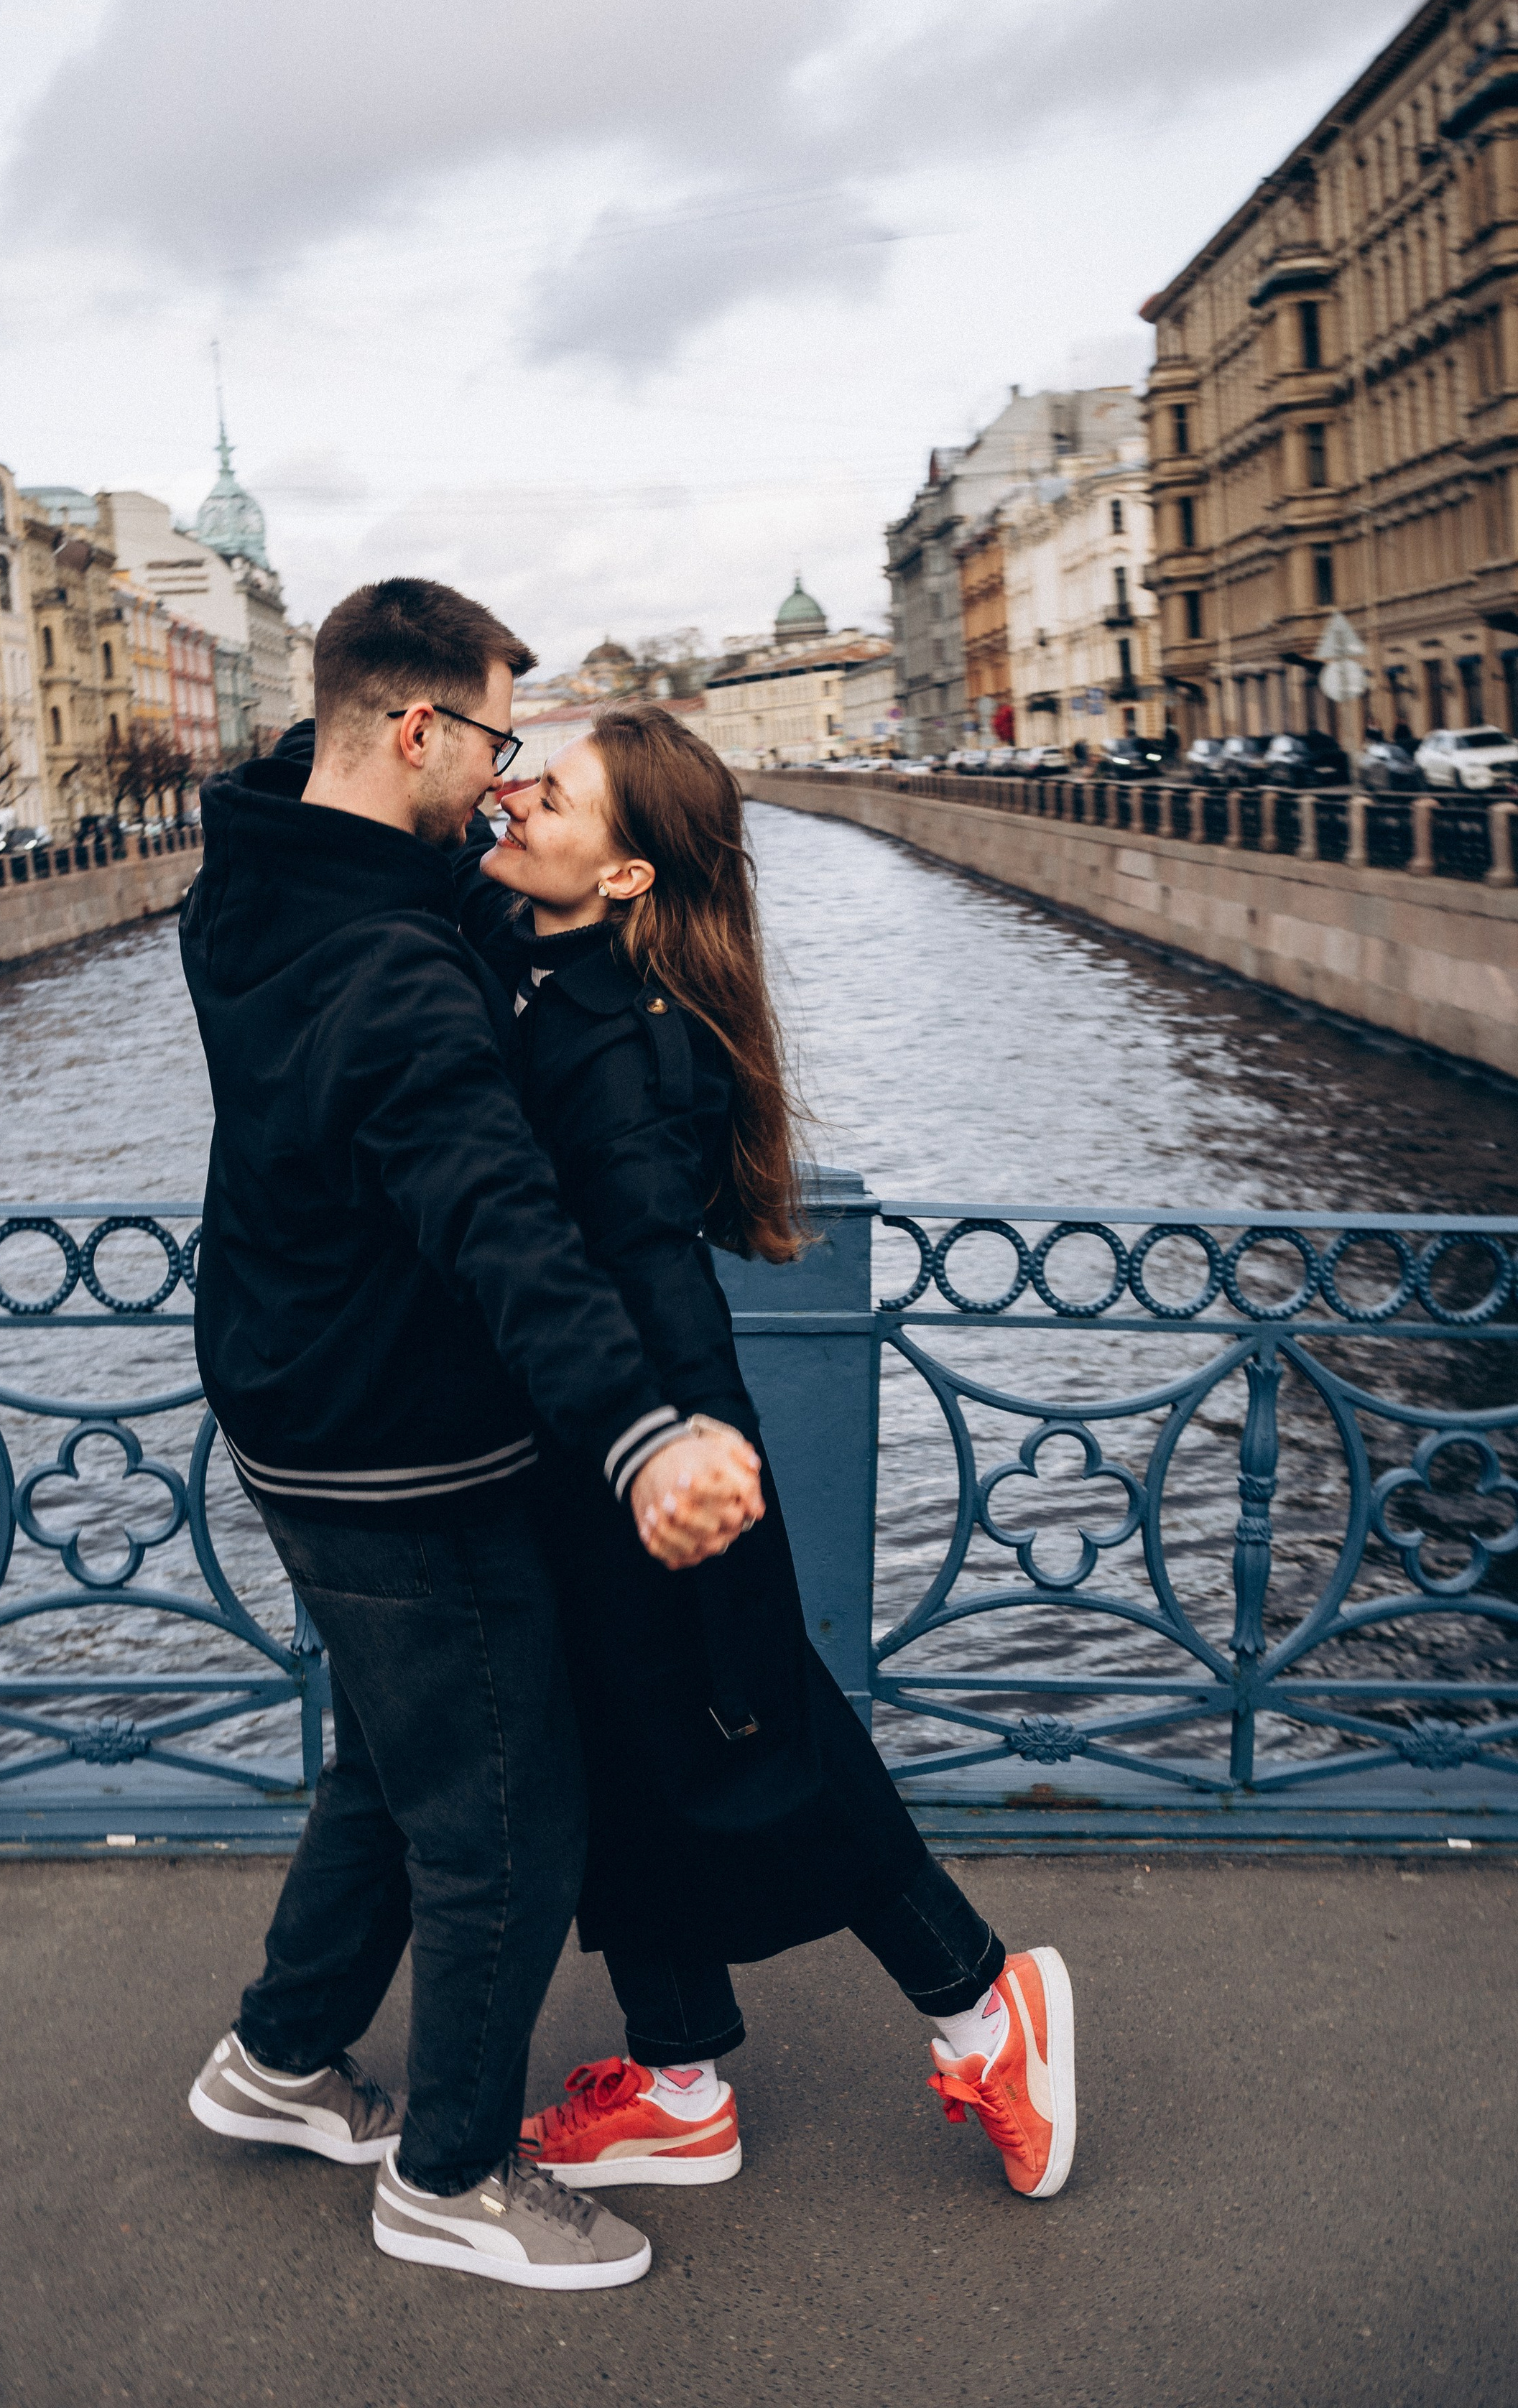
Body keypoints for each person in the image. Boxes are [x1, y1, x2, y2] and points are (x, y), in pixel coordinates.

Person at [178, 580, 764, 2294]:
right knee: (507, 1814)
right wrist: (644, 1431)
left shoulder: (263, 869)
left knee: (394, 1762)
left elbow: (349, 775)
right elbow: (504, 1226)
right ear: (420, 729)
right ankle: (451, 2178)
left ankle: (278, 2060)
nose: (507, 779)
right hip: (397, 1441)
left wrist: (444, 787)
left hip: (285, 1396)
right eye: (495, 739)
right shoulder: (398, 976)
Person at [451, 706, 1075, 2203]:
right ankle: (675, 2080)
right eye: (524, 767)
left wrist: (677, 1457)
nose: (517, 792)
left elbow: (647, 1269)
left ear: (625, 879)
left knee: (759, 1744)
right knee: (628, 1744)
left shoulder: (622, 1040)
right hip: (587, 1440)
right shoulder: (544, 961)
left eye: (559, 794)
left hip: (646, 1440)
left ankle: (991, 2005)